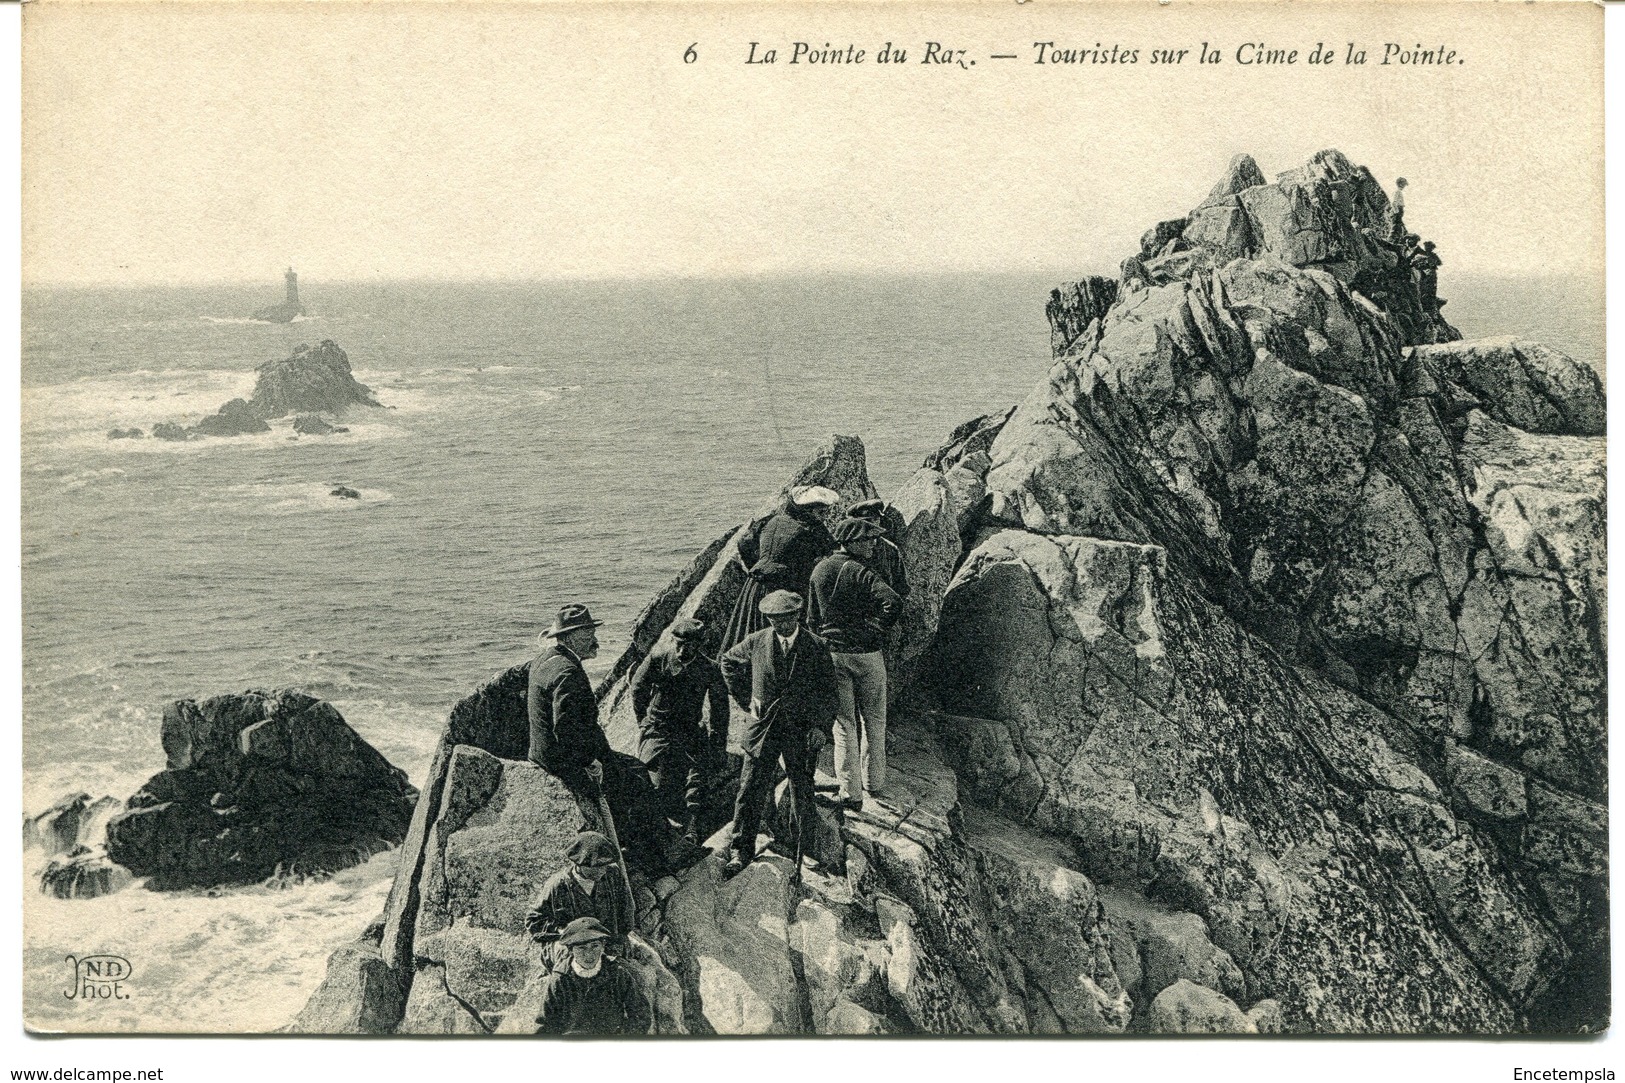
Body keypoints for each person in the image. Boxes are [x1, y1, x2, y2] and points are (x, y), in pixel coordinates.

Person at [527, 603, 703, 876]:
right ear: (571, 637)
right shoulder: (568, 673)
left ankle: (658, 838)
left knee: (635, 768)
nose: (595, 640)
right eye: (588, 634)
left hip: (543, 752)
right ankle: (661, 855)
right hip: (565, 761)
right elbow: (567, 729)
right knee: (634, 781)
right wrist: (591, 762)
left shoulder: (545, 659)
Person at [717, 590, 838, 879]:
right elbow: (728, 662)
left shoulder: (817, 646)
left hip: (801, 730)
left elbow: (830, 693)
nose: (780, 625)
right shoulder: (757, 641)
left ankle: (803, 850)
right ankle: (740, 850)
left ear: (797, 615)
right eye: (774, 620)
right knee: (750, 788)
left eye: (785, 619)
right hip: (764, 729)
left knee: (801, 790)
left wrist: (821, 727)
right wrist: (748, 699)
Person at [806, 519, 903, 808]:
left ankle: (851, 793)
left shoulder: (820, 569)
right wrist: (875, 628)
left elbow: (811, 619)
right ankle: (875, 782)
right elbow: (894, 602)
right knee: (874, 719)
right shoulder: (862, 571)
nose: (874, 544)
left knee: (843, 725)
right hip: (867, 655)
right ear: (851, 542)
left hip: (833, 654)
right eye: (868, 539)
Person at [630, 617, 729, 843]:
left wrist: (717, 743)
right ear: (672, 641)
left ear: (700, 644)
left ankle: (692, 829)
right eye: (679, 644)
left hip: (689, 731)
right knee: (654, 779)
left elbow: (720, 709)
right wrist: (643, 722)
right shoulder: (658, 659)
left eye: (690, 645)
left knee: (696, 776)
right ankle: (658, 833)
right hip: (659, 730)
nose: (683, 650)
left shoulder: (709, 668)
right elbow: (637, 688)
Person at [718, 485, 838, 653]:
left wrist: (758, 565)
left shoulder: (771, 520)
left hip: (755, 585)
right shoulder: (808, 531)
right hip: (782, 589)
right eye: (820, 512)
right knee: (780, 641)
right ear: (807, 511)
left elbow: (744, 542)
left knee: (749, 631)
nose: (823, 517)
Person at [525, 832, 633, 972]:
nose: (602, 871)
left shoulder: (612, 875)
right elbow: (533, 920)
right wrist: (563, 931)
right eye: (597, 867)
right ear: (580, 864)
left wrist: (623, 935)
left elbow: (625, 910)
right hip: (569, 944)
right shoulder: (558, 885)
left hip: (603, 943)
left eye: (605, 865)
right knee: (572, 968)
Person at [532, 917, 652, 1036]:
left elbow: (641, 1015)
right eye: (581, 948)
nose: (589, 954)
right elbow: (545, 1024)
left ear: (603, 946)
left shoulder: (617, 974)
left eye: (595, 946)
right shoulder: (561, 978)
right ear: (571, 950)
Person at [846, 498, 910, 601]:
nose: (873, 524)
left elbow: (902, 587)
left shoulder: (890, 549)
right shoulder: (847, 547)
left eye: (876, 519)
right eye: (867, 521)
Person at [1411, 240, 1443, 315]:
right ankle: (1424, 306)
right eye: (1427, 246)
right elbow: (1414, 263)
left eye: (1429, 247)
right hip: (1424, 274)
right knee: (1423, 289)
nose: (1427, 248)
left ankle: (1428, 307)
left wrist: (1431, 262)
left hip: (1431, 274)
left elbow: (1439, 263)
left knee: (1430, 290)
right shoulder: (1421, 254)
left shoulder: (1432, 255)